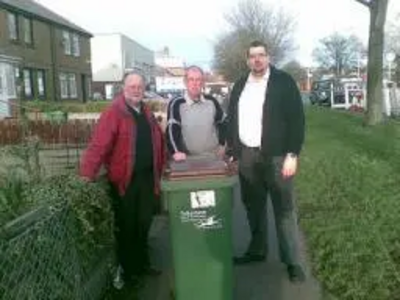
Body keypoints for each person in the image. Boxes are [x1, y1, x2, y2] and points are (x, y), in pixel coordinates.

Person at [226, 40, 306, 283]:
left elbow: (297, 119)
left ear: (268, 57)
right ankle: (257, 250)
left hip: (277, 156)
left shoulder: (284, 81)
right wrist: (233, 150)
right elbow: (232, 118)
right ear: (247, 60)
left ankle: (292, 261)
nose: (257, 60)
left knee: (283, 210)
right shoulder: (241, 84)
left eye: (261, 55)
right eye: (252, 56)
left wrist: (293, 154)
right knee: (253, 207)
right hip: (248, 156)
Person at [79, 72, 166, 289]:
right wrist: (85, 176)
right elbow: (99, 146)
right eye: (132, 86)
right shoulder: (114, 114)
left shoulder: (145, 112)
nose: (136, 90)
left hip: (147, 180)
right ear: (123, 88)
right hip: (125, 183)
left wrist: (166, 166)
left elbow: (158, 143)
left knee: (144, 224)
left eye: (139, 86)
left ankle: (143, 264)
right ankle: (130, 272)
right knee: (128, 228)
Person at [166, 65, 227, 161]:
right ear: (185, 82)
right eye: (191, 79)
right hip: (188, 160)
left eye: (198, 80)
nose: (195, 83)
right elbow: (172, 129)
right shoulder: (177, 103)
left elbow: (223, 122)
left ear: (203, 83)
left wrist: (223, 144)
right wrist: (176, 151)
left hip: (213, 158)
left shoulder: (211, 101)